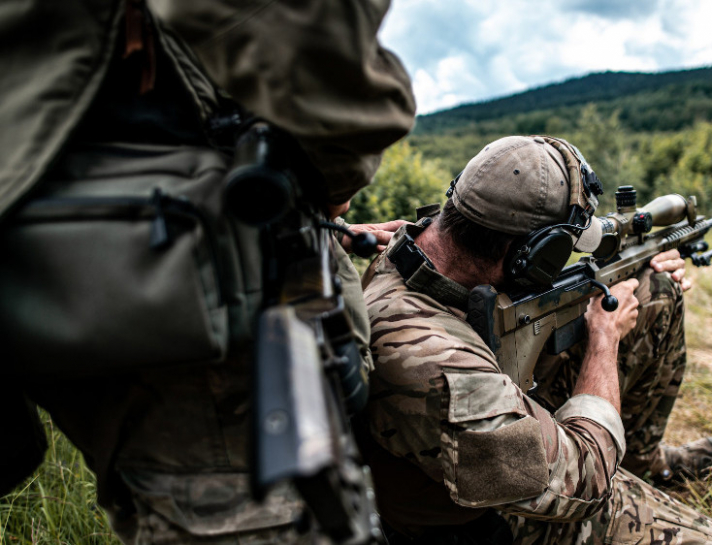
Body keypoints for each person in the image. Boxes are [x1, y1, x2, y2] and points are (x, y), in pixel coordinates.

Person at [0, 0, 414, 542]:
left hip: (35, 213)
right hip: (189, 253)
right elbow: (307, 40)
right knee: (269, 510)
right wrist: (331, 175)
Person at [360, 135, 712, 544]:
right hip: (479, 519)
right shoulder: (436, 365)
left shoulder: (408, 247)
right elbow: (585, 481)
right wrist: (604, 339)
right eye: (559, 252)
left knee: (653, 288)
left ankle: (643, 461)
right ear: (531, 252)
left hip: (465, 447)